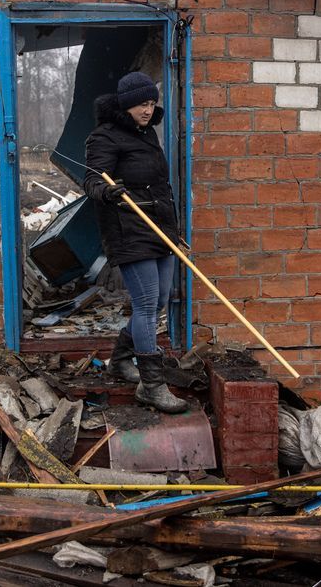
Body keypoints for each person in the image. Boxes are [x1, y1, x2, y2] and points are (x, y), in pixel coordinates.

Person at [84, 71, 188, 414]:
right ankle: (152, 386)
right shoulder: (103, 137)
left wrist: (173, 230)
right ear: (126, 104)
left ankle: (119, 360)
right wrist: (108, 191)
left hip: (159, 228)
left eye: (151, 103)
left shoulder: (147, 134)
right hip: (129, 228)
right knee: (145, 305)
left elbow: (159, 186)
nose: (148, 109)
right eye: (141, 103)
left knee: (159, 301)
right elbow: (92, 181)